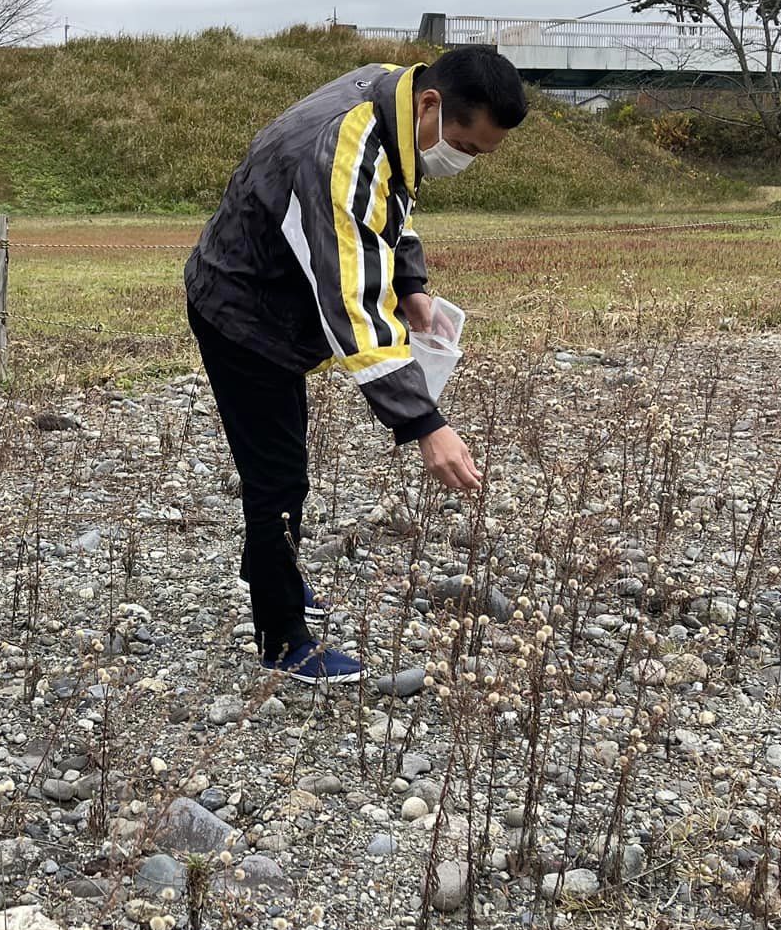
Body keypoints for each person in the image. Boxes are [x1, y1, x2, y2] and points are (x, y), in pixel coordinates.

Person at [184, 44, 528, 684]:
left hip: (269, 301)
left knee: (279, 464)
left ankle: (265, 566)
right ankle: (283, 636)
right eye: (469, 147)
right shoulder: (347, 145)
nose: (467, 162)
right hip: (242, 312)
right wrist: (425, 423)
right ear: (432, 104)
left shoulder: (395, 104)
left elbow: (387, 211)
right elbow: (354, 304)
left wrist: (414, 285)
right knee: (278, 477)